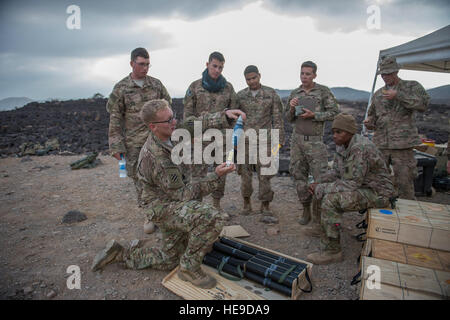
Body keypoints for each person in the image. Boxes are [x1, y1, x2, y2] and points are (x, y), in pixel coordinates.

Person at [92, 99, 246, 289]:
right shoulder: (157, 157)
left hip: (171, 200)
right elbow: (183, 195)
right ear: (153, 127)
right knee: (211, 218)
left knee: (169, 259)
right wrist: (216, 176)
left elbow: (191, 124)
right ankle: (189, 268)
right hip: (163, 208)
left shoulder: (169, 130)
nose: (174, 122)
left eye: (173, 117)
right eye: (168, 120)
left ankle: (121, 254)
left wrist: (224, 115)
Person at [306, 113, 395, 264]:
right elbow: (336, 172)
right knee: (319, 190)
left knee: (330, 199)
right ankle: (320, 227)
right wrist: (317, 182)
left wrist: (322, 187)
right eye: (333, 132)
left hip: (377, 192)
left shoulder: (360, 148)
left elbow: (351, 183)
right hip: (361, 186)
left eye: (339, 132)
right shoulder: (343, 145)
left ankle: (333, 251)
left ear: (350, 132)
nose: (334, 136)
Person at [106, 47, 171, 233]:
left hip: (157, 140)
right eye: (141, 64)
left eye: (148, 64)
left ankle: (165, 213)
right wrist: (116, 145)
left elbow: (168, 111)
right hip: (135, 143)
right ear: (132, 63)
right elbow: (115, 118)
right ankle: (149, 215)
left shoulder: (156, 85)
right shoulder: (121, 88)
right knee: (140, 180)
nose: (145, 68)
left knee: (163, 175)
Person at [364, 56, 430, 200]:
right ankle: (381, 213)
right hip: (381, 145)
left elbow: (423, 104)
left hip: (403, 146)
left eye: (388, 73)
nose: (385, 77)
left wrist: (398, 96)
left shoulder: (411, 86)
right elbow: (373, 116)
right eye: (383, 74)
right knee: (378, 181)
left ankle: (407, 216)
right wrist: (369, 122)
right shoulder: (378, 95)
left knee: (404, 183)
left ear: (396, 71)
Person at [285, 61, 339, 230]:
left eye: (308, 74)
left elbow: (334, 112)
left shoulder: (323, 92)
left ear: (315, 75)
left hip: (315, 141)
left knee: (320, 178)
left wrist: (315, 115)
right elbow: (288, 119)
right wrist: (292, 108)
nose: (304, 76)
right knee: (298, 175)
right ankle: (305, 209)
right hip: (297, 140)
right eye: (302, 73)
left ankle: (319, 215)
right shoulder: (295, 93)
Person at [183, 51, 239, 209]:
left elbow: (234, 114)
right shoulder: (195, 87)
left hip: (222, 139)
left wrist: (232, 137)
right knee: (197, 175)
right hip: (200, 139)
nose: (217, 70)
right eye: (214, 66)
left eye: (221, 67)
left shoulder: (228, 88)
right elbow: (187, 116)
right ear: (207, 64)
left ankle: (216, 205)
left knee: (221, 173)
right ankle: (196, 207)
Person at [236, 65, 285, 220]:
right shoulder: (240, 96)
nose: (251, 82)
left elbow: (277, 119)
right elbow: (235, 121)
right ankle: (246, 203)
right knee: (245, 174)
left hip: (265, 141)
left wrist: (277, 144)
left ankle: (265, 205)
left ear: (259, 76)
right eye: (248, 79)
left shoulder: (271, 94)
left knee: (265, 174)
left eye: (254, 78)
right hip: (245, 141)